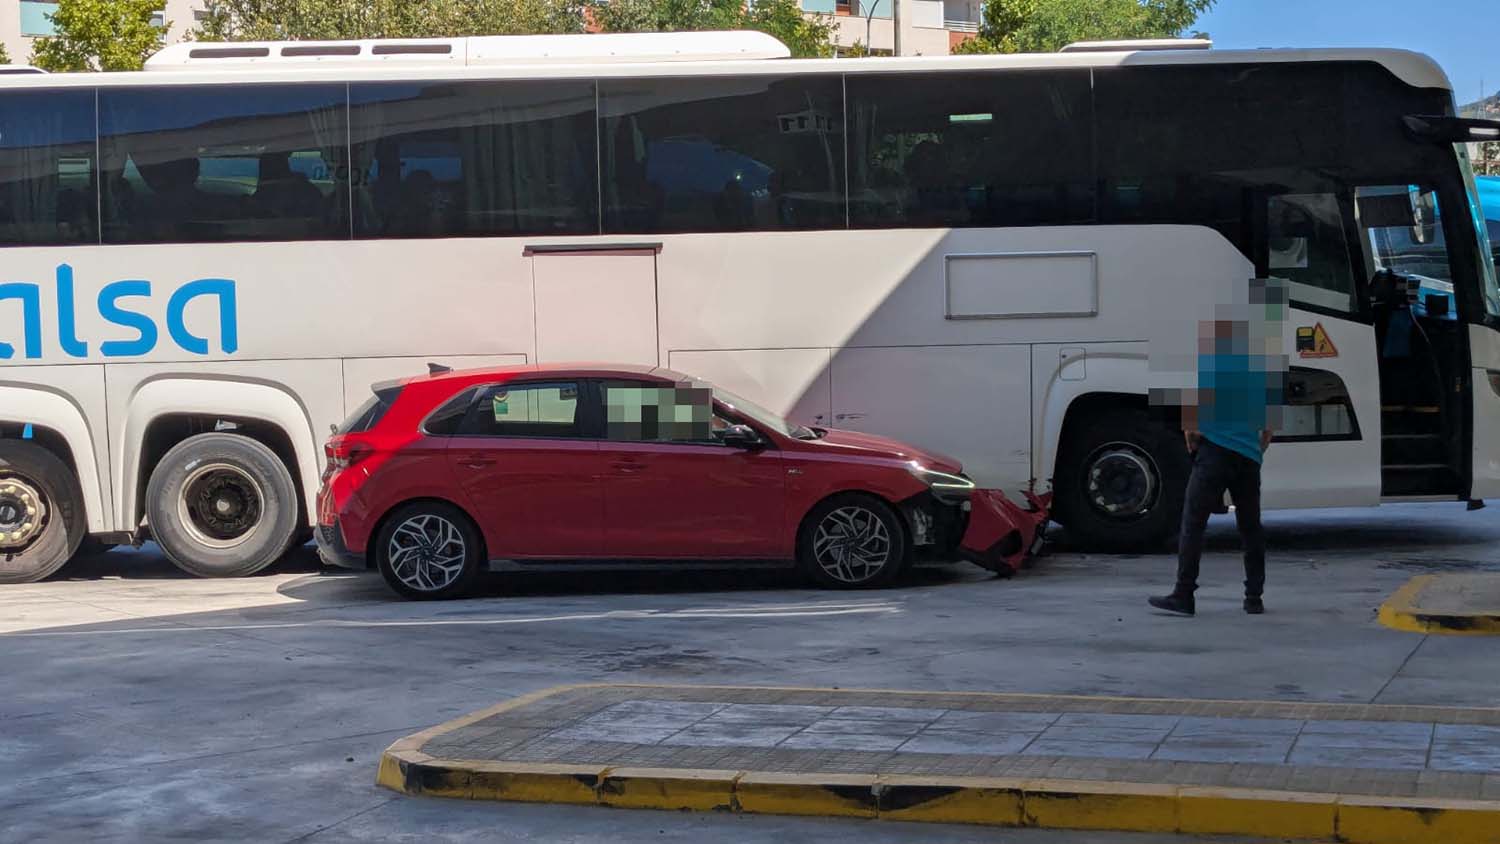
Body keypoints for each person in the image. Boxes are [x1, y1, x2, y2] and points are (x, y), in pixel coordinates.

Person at [1150, 314, 1279, 617]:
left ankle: (1184, 595)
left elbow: (1191, 429)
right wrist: (1254, 453)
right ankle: (1254, 597)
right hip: (1248, 459)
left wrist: (1196, 448)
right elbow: (1269, 430)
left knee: (1193, 524)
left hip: (1215, 454)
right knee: (1250, 527)